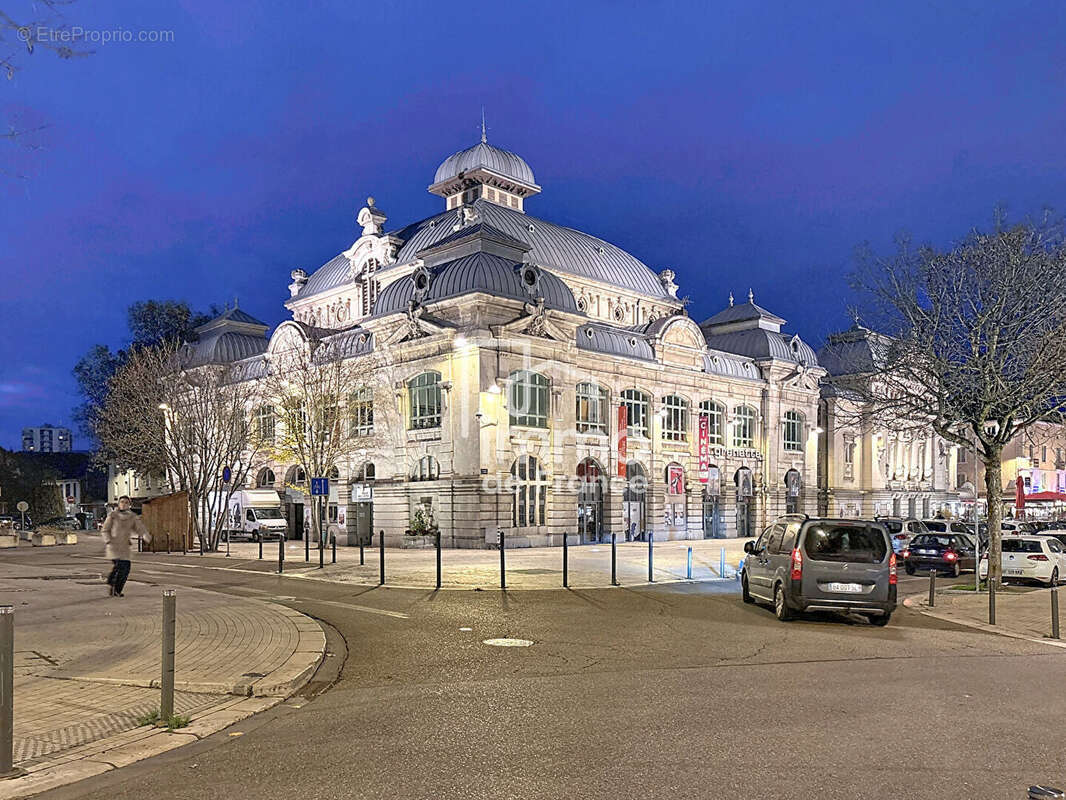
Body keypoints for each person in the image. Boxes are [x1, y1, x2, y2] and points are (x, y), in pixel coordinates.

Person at [101, 496, 149, 597]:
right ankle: (112, 582)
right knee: (120, 565)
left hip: (124, 546)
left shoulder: (132, 516)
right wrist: (108, 540)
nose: (124, 504)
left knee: (125, 568)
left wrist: (145, 535)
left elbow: (139, 527)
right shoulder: (113, 515)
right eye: (122, 502)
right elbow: (105, 530)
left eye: (126, 502)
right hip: (114, 545)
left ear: (129, 504)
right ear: (118, 504)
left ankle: (116, 589)